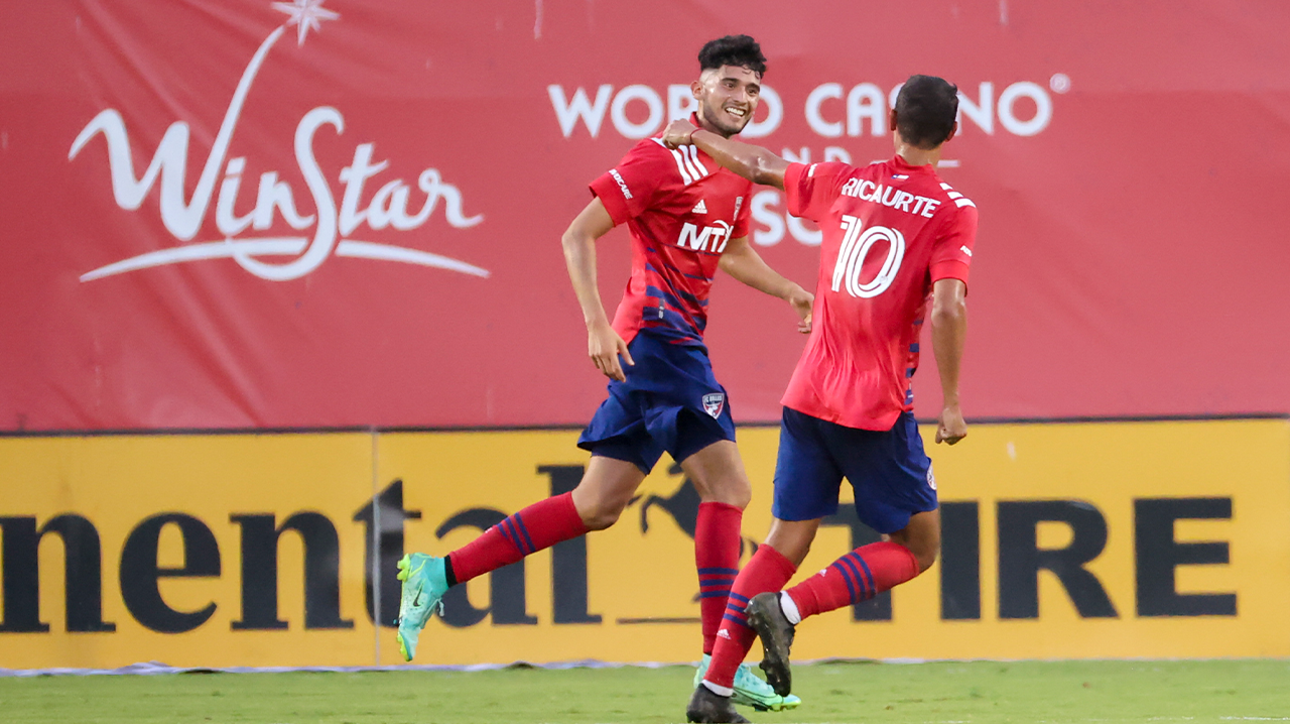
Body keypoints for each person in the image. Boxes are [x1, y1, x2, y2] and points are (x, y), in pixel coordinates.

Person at [395, 35, 812, 713]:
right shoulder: (658, 157)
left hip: (664, 350)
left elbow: (730, 250)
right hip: (655, 340)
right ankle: (720, 659)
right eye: (729, 84)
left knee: (597, 506)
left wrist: (789, 290)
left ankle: (438, 573)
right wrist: (595, 322)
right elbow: (577, 234)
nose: (741, 98)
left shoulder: (733, 171)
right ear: (697, 91)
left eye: (751, 89)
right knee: (729, 486)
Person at [661, 74, 977, 723]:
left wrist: (692, 134)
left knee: (784, 538)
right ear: (952, 133)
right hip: (874, 407)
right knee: (918, 545)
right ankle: (790, 609)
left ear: (890, 119)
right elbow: (947, 306)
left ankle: (711, 690)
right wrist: (950, 401)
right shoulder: (951, 209)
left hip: (808, 394)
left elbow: (760, 164)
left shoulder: (844, 180)